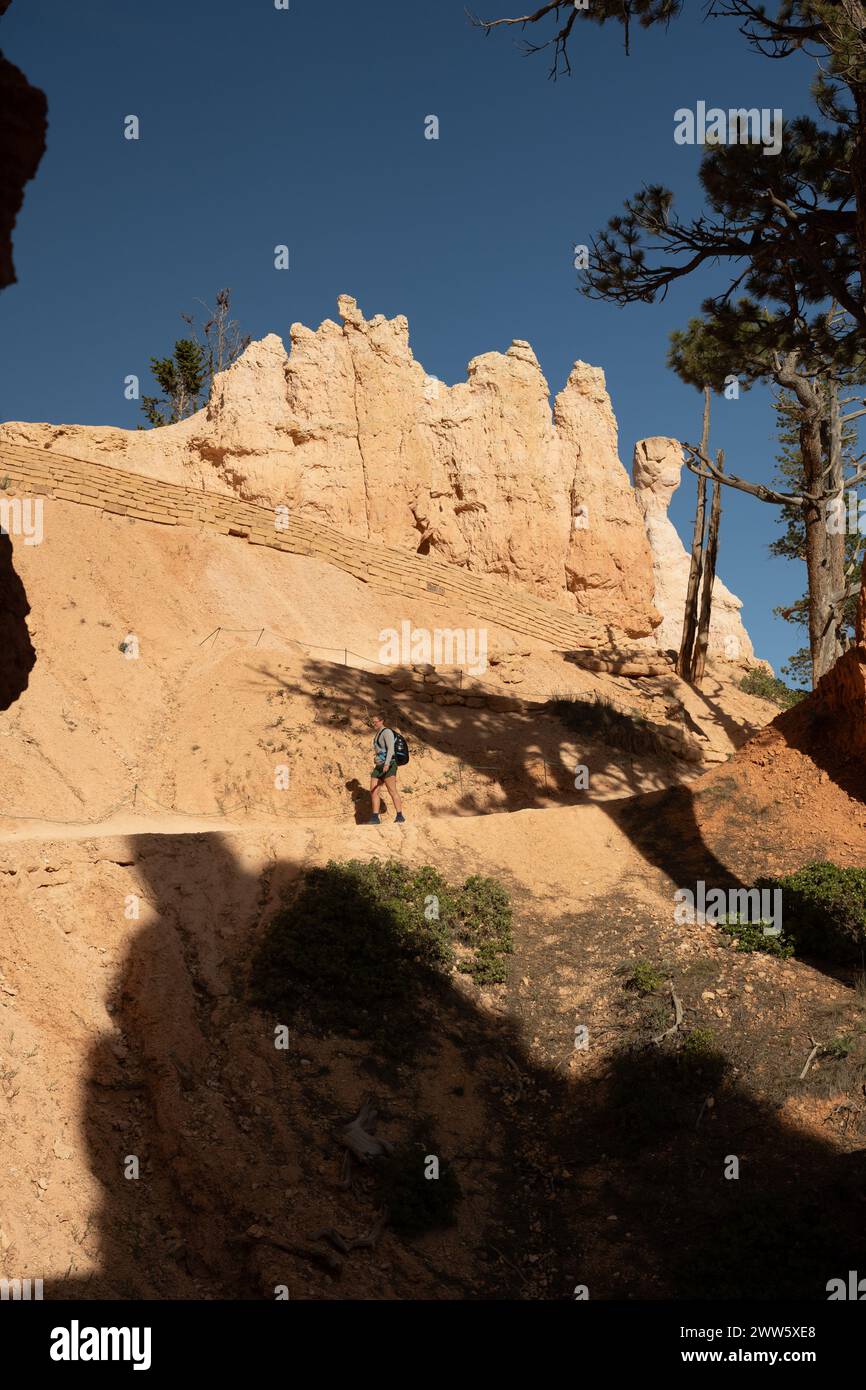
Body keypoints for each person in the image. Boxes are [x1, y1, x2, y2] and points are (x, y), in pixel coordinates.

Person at [368, 714, 405, 825]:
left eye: (375, 721)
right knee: (373, 791)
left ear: (381, 721)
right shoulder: (377, 734)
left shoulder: (387, 732)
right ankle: (375, 817)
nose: (373, 723)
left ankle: (399, 815)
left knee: (392, 791)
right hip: (379, 767)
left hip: (388, 765)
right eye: (372, 722)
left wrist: (387, 764)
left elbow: (391, 750)